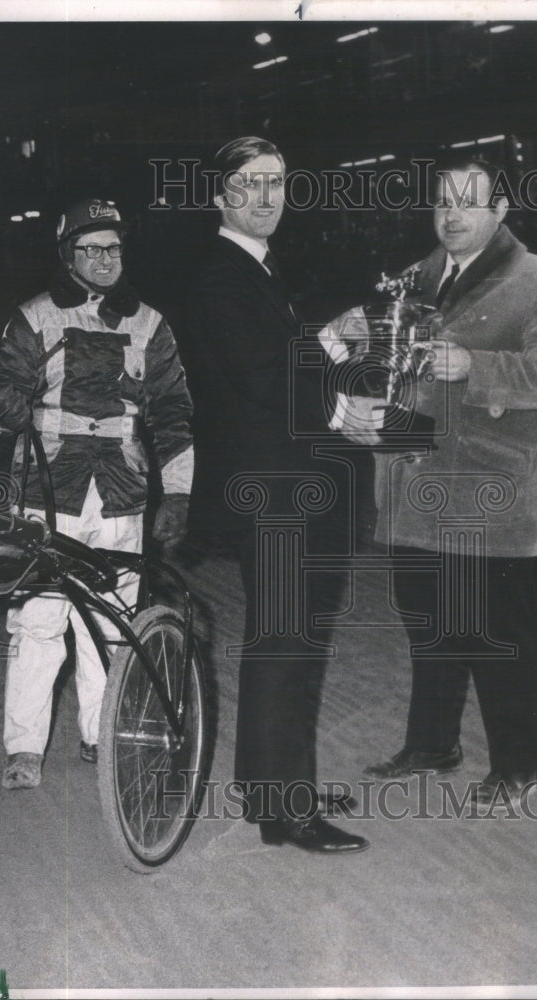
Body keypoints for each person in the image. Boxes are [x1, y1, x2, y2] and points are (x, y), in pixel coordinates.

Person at [334, 154, 537, 805]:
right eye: (443, 201)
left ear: (499, 211)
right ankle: (431, 745)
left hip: (488, 495)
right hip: (412, 489)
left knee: (500, 637)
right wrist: (347, 338)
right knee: (429, 627)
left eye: (468, 203)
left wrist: (473, 366)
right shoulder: (414, 278)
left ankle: (514, 763)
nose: (451, 214)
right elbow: (385, 357)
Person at [181, 137, 368, 852]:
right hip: (273, 493)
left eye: (276, 183)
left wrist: (336, 397)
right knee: (284, 643)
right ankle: (283, 811)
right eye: (249, 184)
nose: (265, 197)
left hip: (289, 483)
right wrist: (331, 339)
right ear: (220, 197)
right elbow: (262, 378)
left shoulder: (257, 269)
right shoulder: (218, 278)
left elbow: (279, 385)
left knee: (291, 642)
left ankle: (277, 785)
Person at [0, 197, 193, 790]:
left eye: (114, 248)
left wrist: (176, 494)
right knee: (38, 622)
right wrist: (8, 403)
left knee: (111, 621)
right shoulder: (33, 317)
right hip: (47, 492)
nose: (105, 260)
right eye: (91, 249)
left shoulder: (151, 324)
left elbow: (174, 415)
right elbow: (1, 395)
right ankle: (24, 749)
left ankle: (100, 736)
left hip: (122, 493)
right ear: (67, 254)